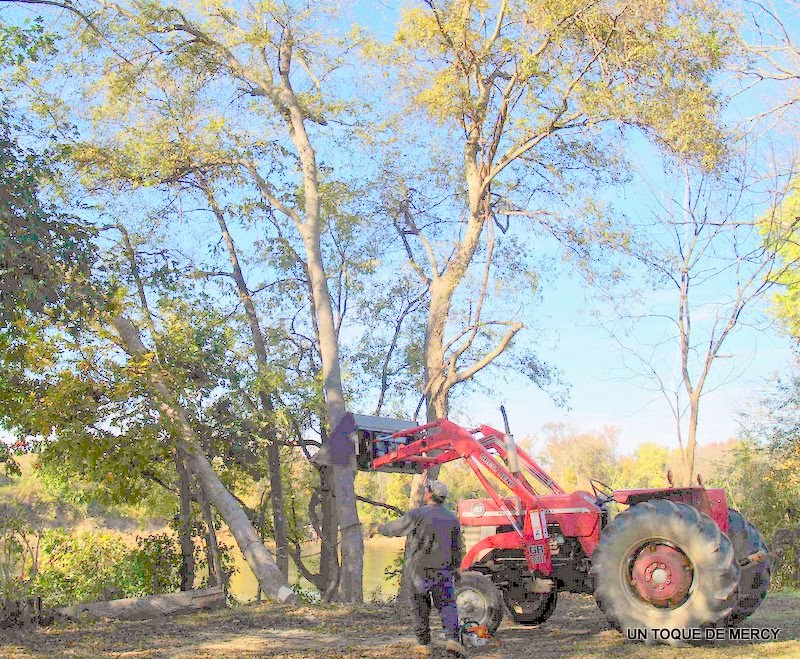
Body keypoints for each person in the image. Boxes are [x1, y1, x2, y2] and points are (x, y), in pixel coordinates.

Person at [369, 480, 467, 656]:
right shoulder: (452, 518)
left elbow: (395, 528)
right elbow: (457, 547)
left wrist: (378, 529)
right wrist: (455, 567)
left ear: (429, 494)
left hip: (419, 570)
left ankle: (424, 644)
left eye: (426, 489)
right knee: (447, 605)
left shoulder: (418, 514)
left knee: (420, 606)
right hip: (443, 569)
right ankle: (452, 639)